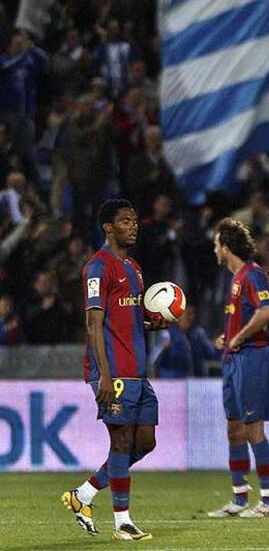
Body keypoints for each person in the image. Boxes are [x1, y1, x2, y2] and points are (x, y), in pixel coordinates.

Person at [61, 199, 164, 541]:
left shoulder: (133, 268)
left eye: (134, 220)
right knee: (120, 442)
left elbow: (132, 318)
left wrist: (154, 320)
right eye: (124, 221)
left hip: (137, 370)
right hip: (112, 372)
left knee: (145, 442)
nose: (133, 226)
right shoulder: (98, 267)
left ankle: (84, 495)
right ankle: (123, 522)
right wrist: (104, 375)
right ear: (108, 227)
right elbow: (94, 323)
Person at [208, 218, 269, 518]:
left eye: (216, 244)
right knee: (234, 430)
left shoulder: (252, 274)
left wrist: (238, 337)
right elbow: (247, 316)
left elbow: (266, 311)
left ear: (226, 246)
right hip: (234, 361)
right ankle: (239, 499)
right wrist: (228, 336)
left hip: (252, 359)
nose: (214, 250)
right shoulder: (236, 279)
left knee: (253, 430)